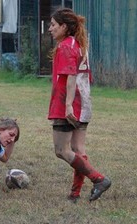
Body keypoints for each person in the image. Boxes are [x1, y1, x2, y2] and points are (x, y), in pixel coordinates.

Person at [48, 8, 111, 202]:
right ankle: (75, 194)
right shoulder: (79, 44)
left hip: (70, 102)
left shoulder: (66, 46)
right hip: (84, 102)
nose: (50, 29)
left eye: (53, 25)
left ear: (64, 27)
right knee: (78, 149)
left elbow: (71, 77)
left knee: (61, 150)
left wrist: (67, 106)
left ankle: (99, 179)